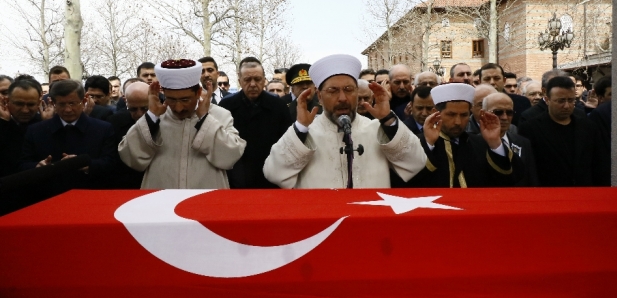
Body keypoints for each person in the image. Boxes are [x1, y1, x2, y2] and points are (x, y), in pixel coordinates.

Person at [263, 54, 427, 189]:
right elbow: (274, 173)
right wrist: (300, 129)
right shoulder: (307, 131)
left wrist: (388, 119)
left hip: (369, 221)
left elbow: (416, 162)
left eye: (349, 90)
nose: (342, 98)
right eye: (333, 91)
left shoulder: (376, 128)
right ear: (319, 96)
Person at [119, 59, 246, 189]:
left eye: (185, 100)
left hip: (207, 199)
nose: (179, 108)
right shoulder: (156, 115)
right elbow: (130, 157)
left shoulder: (220, 115)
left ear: (197, 93)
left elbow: (231, 156)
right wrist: (151, 117)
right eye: (172, 100)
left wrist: (204, 119)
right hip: (160, 200)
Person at [396, 83, 523, 188]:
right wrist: (428, 143)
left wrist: (495, 143)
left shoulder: (480, 143)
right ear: (436, 113)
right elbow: (406, 181)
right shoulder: (416, 142)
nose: (458, 122)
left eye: (463, 115)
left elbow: (511, 179)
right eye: (451, 115)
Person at [20, 79, 116, 194]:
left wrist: (85, 164)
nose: (68, 109)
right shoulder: (36, 131)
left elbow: (111, 163)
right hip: (48, 197)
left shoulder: (103, 129)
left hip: (89, 196)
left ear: (84, 100)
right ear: (52, 103)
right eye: (61, 104)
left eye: (72, 103)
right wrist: (37, 166)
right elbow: (23, 164)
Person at [518, 76, 609, 186]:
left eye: (571, 100)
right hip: (548, 194)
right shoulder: (530, 128)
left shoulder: (588, 127)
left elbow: (599, 164)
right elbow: (528, 169)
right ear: (547, 100)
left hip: (583, 193)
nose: (566, 106)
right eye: (561, 101)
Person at [218, 57, 292, 189]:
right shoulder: (226, 105)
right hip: (236, 179)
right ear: (240, 81)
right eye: (247, 80)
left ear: (264, 80)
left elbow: (287, 143)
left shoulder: (278, 106)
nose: (252, 84)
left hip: (270, 178)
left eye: (257, 79)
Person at [483, 92, 538, 186]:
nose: (505, 117)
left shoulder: (523, 142)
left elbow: (531, 179)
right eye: (498, 112)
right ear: (484, 113)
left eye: (509, 113)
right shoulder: (473, 143)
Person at [107, 81, 149, 189]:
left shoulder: (164, 119)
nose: (139, 114)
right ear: (126, 101)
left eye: (145, 108)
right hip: (124, 183)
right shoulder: (114, 122)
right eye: (133, 109)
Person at [0, 76, 45, 177]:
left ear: (38, 103)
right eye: (19, 104)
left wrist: (46, 124)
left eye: (31, 105)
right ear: (7, 101)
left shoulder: (44, 123)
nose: (25, 110)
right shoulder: (3, 123)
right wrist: (4, 124)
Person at [518, 69, 586, 128]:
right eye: (561, 100)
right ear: (544, 91)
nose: (566, 106)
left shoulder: (580, 115)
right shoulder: (529, 117)